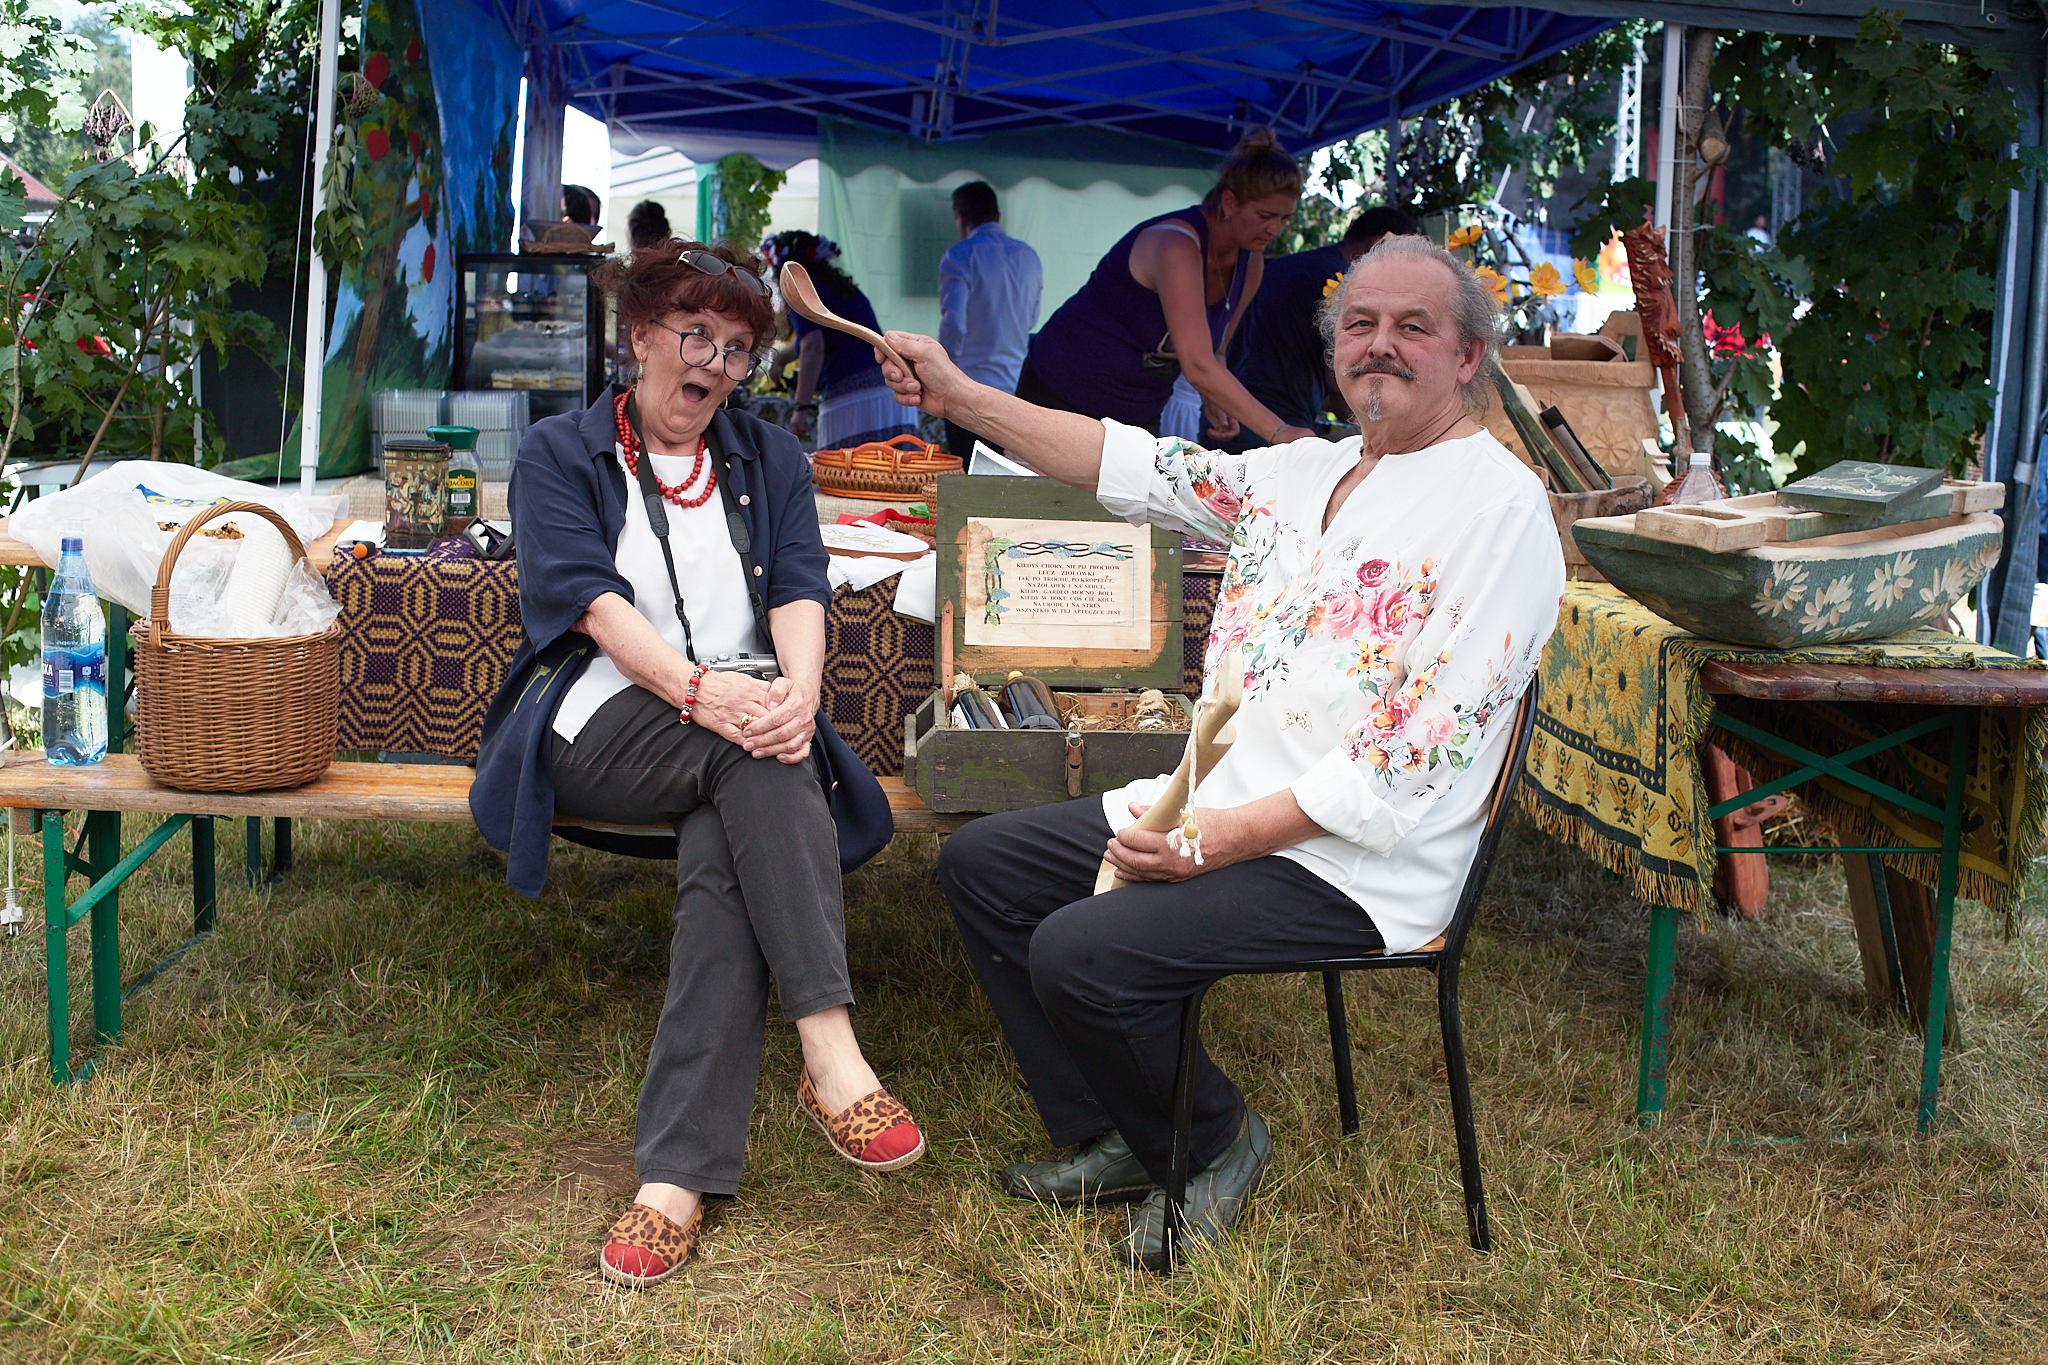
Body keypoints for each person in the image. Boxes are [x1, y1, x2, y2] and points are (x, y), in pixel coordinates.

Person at [874, 234, 1564, 1271]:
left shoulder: (1499, 509)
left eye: (1412, 327)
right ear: (1335, 347)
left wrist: (1212, 842)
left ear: (1468, 356)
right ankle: (1122, 1130)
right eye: (1360, 324)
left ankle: (1213, 1135)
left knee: (1081, 951)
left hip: (1357, 858)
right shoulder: (1300, 470)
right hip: (1219, 798)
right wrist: (962, 397)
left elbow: (1405, 762)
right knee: (984, 867)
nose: (1379, 345)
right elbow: (1126, 465)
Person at [469, 239, 919, 1291]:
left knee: (741, 798)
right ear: (639, 338)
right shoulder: (558, 452)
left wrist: (797, 692)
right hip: (597, 720)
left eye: (737, 348)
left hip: (739, 726)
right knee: (754, 756)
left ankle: (674, 1176)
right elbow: (589, 604)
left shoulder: (769, 455)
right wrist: (703, 693)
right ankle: (830, 1050)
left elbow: (799, 587)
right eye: (696, 336)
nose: (715, 364)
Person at [1017, 127, 1308, 444]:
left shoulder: (1251, 263)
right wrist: (1280, 431)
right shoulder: (1176, 244)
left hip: (1137, 409)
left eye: (1284, 219)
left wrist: (1215, 396)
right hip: (1061, 390)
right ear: (1229, 202)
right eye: (1265, 215)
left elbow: (1215, 354)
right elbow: (1198, 366)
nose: (1275, 230)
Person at [1223, 205, 1417, 449]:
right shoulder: (1339, 282)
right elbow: (1337, 380)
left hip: (1229, 412)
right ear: (1378, 244)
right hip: (1277, 427)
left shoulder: (1291, 265)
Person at [762, 231, 917, 450]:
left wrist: (801, 408)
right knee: (897, 468)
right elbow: (824, 338)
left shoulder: (802, 289)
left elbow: (812, 346)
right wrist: (780, 359)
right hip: (889, 393)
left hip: (853, 399)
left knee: (845, 470)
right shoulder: (838, 288)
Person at [937, 181, 1042, 458]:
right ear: (997, 215)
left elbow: (954, 323)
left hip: (970, 392)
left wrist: (942, 370)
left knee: (968, 473)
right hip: (1018, 390)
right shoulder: (1029, 256)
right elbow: (1031, 320)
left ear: (961, 217)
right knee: (1009, 474)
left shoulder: (960, 255)